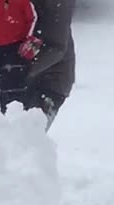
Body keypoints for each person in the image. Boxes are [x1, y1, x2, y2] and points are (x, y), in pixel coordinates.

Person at [24, 0, 76, 131]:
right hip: (26, 77)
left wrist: (23, 70)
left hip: (52, 81)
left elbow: (56, 48)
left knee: (28, 138)